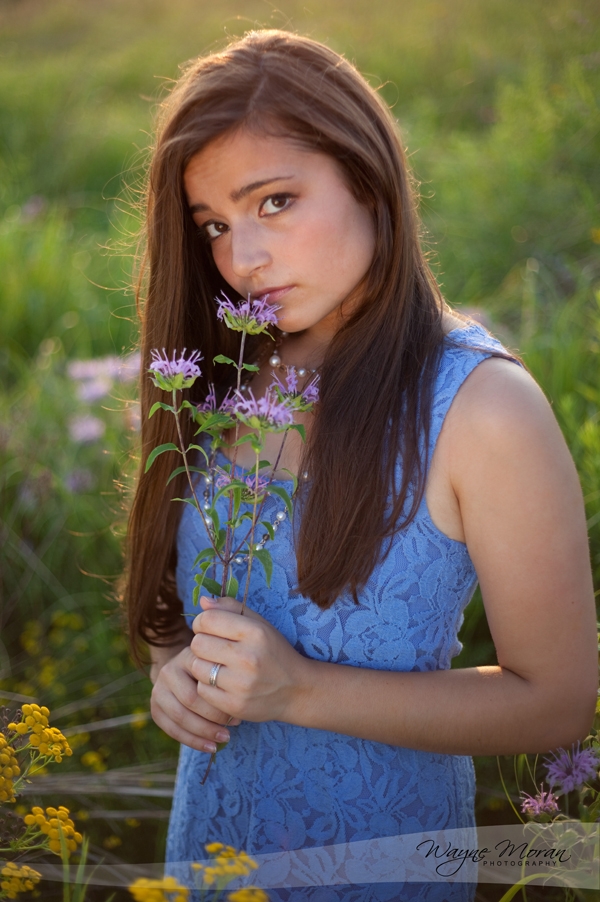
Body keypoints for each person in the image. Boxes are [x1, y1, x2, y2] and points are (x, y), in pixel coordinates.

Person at [123, 29, 598, 901]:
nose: (242, 258)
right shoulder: (219, 377)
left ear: (369, 178)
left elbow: (557, 700)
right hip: (206, 863)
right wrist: (173, 678)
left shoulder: (481, 408)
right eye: (216, 225)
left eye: (274, 202)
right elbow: (171, 608)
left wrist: (298, 689)